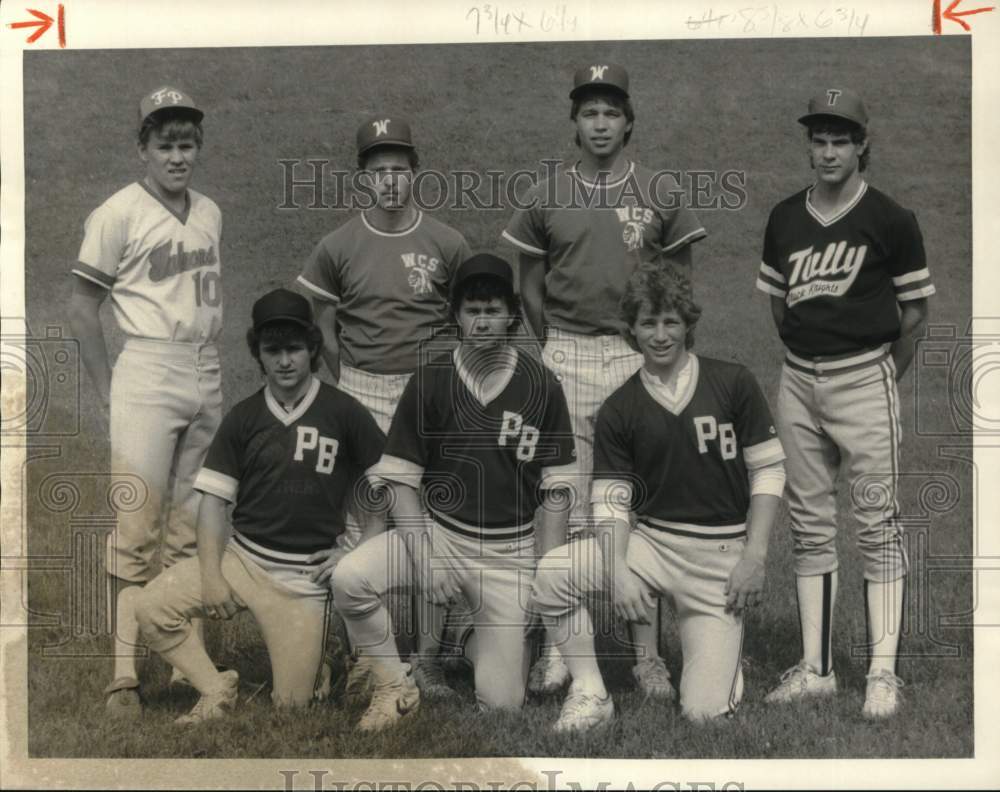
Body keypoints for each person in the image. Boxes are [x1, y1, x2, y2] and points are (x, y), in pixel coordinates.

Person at [502, 62, 707, 698]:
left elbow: (677, 283)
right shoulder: (545, 194)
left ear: (628, 121)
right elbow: (528, 281)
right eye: (589, 112)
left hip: (634, 356)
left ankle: (646, 654)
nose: (599, 123)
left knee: (637, 502)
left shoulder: (659, 190)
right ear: (574, 122)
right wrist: (548, 342)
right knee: (560, 499)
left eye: (611, 112)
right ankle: (561, 652)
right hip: (564, 352)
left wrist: (653, 348)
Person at [530, 264, 786, 731]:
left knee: (704, 714)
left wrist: (757, 553)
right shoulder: (620, 407)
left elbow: (768, 469)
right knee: (552, 573)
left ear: (689, 323)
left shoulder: (732, 382)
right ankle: (590, 691)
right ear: (631, 330)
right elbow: (610, 502)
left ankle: (717, 659)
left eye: (671, 321)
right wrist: (617, 570)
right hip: (653, 543)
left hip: (720, 559)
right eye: (648, 323)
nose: (661, 334)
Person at [332, 253, 577, 731]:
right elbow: (401, 482)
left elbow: (557, 491)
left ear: (511, 314)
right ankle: (393, 683)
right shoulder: (433, 378)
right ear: (455, 317)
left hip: (511, 551)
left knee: (503, 704)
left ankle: (462, 638)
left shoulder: (542, 384)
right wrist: (425, 560)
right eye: (471, 310)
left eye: (492, 310)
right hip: (443, 536)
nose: (482, 322)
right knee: (349, 579)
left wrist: (544, 574)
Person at [756, 88, 934, 719]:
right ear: (809, 146)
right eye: (819, 139)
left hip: (865, 377)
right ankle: (818, 668)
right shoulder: (784, 217)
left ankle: (882, 675)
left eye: (841, 140)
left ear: (863, 145)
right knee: (808, 523)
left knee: (876, 522)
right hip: (798, 380)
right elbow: (779, 302)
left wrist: (882, 372)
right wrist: (809, 355)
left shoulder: (890, 218)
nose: (828, 151)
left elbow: (914, 314)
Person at [133, 289, 387, 723]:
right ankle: (215, 687)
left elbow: (383, 488)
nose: (284, 361)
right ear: (258, 354)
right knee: (151, 607)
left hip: (302, 577)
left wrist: (358, 550)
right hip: (244, 559)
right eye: (273, 350)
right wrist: (212, 577)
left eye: (294, 349)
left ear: (312, 348)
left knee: (292, 706)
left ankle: (322, 658)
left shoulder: (344, 411)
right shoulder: (245, 417)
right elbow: (213, 503)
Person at [296, 115, 471, 697]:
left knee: (433, 519)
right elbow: (318, 316)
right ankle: (368, 657)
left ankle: (428, 659)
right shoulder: (339, 244)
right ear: (362, 180)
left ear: (415, 174)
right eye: (379, 172)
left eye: (400, 170)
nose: (390, 181)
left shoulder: (446, 241)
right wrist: (341, 376)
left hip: (428, 394)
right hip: (364, 387)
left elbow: (467, 316)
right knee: (364, 519)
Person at [67, 86, 224, 718]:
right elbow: (81, 306)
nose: (177, 156)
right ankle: (123, 675)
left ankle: (191, 670)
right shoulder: (117, 213)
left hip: (204, 365)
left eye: (187, 144)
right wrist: (109, 389)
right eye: (165, 144)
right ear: (143, 150)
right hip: (147, 368)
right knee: (135, 528)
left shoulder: (210, 210)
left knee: (190, 529)